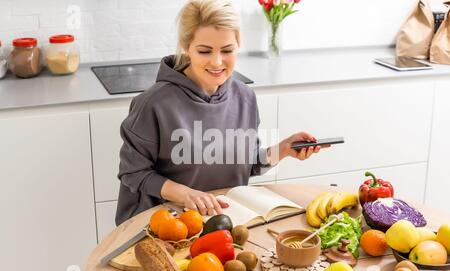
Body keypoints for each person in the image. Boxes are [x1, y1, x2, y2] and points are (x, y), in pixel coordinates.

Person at [115, 0, 328, 226]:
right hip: (167, 225)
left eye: (227, 50)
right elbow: (133, 173)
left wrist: (283, 149)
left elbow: (248, 162)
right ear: (187, 47)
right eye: (204, 51)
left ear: (238, 45)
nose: (217, 62)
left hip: (227, 221)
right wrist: (186, 194)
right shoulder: (153, 104)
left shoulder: (245, 97)